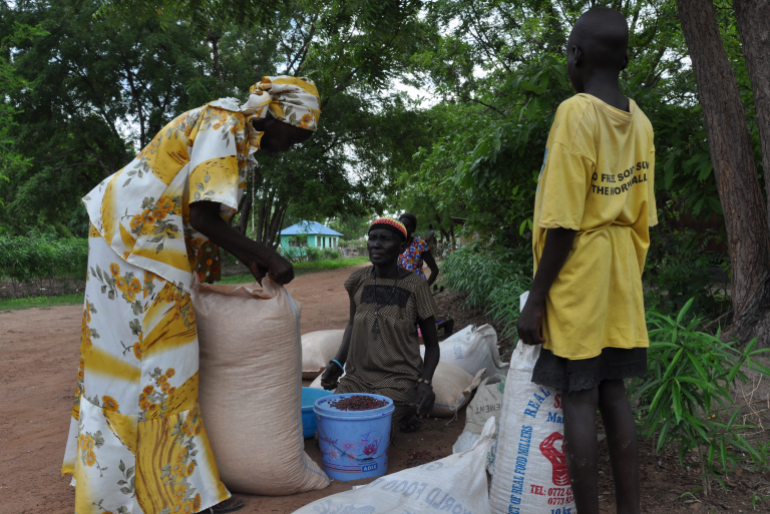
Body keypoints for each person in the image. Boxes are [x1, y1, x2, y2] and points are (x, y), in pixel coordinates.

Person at [62, 76, 321, 514]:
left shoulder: (233, 130)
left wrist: (248, 258)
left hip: (136, 240)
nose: (293, 145)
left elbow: (198, 212)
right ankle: (173, 493)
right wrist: (267, 254)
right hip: (135, 243)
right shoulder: (224, 124)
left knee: (135, 359)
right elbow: (202, 215)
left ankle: (140, 483)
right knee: (161, 361)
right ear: (279, 115)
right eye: (296, 134)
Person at [516, 8, 655, 514]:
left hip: (579, 269)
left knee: (578, 394)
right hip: (620, 269)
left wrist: (537, 299)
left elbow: (563, 220)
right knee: (612, 388)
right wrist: (626, 276)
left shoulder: (576, 112)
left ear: (575, 54)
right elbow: (643, 216)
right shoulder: (639, 120)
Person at [320, 218, 440, 434]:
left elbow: (432, 345)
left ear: (402, 247)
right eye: (372, 238)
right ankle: (401, 418)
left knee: (368, 432)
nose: (376, 244)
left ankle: (405, 413)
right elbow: (351, 324)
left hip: (399, 381)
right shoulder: (358, 280)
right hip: (357, 379)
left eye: (385, 239)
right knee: (330, 429)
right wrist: (338, 363)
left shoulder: (416, 286)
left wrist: (425, 382)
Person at [397, 213, 439, 287]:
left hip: (416, 287)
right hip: (399, 289)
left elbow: (435, 270)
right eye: (403, 225)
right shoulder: (393, 244)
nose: (405, 228)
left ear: (413, 229)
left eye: (409, 226)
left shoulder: (420, 244)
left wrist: (424, 288)